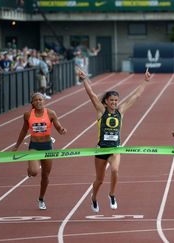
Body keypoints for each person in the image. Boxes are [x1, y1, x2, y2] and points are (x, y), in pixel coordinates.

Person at [78, 68, 151, 213]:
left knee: (115, 170)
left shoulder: (121, 111)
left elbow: (135, 97)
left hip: (116, 149)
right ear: (106, 101)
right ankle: (94, 197)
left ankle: (112, 194)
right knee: (99, 180)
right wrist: (84, 79)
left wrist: (145, 81)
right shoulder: (101, 111)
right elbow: (92, 95)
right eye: (111, 100)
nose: (114, 102)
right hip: (101, 149)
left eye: (116, 100)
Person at [12, 92, 67, 210]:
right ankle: (30, 169)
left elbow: (57, 126)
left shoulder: (51, 113)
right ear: (32, 103)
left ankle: (41, 199)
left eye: (40, 99)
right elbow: (23, 130)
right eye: (36, 100)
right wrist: (17, 145)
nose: (38, 102)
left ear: (44, 101)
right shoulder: (27, 115)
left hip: (47, 146)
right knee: (34, 172)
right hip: (34, 146)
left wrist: (61, 130)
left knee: (45, 176)